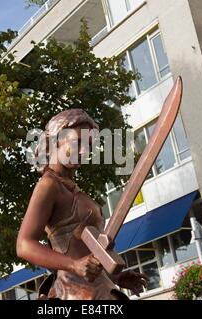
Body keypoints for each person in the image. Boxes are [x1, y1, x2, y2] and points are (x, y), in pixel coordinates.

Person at [16, 109, 149, 300]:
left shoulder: (72, 188)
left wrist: (116, 275)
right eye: (77, 143)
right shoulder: (49, 185)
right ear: (55, 141)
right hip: (75, 293)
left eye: (89, 145)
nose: (84, 151)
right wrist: (74, 265)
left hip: (100, 289)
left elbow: (87, 250)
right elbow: (24, 245)